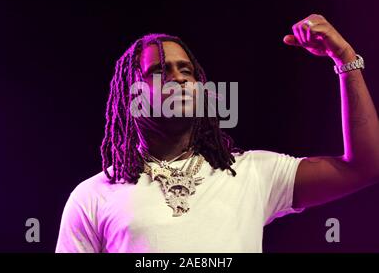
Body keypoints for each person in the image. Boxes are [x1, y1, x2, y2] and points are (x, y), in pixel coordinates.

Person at [55, 14, 379, 253]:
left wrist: (345, 59)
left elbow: (365, 166)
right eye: (159, 71)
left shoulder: (252, 173)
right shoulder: (93, 197)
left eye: (187, 70)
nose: (179, 79)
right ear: (131, 96)